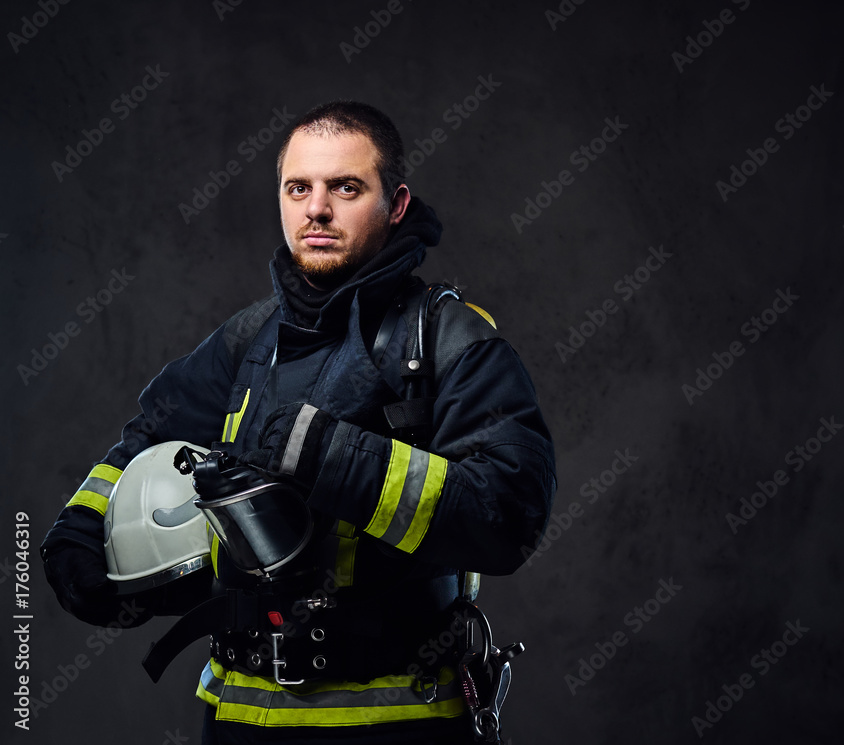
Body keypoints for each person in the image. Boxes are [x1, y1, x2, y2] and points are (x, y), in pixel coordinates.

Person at [40, 101, 557, 744]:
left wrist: (329, 456)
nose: (317, 209)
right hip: (239, 719)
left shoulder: (449, 340)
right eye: (297, 188)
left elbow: (510, 514)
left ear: (396, 204)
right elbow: (150, 439)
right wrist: (80, 529)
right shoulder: (248, 339)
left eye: (346, 187)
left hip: (400, 722)